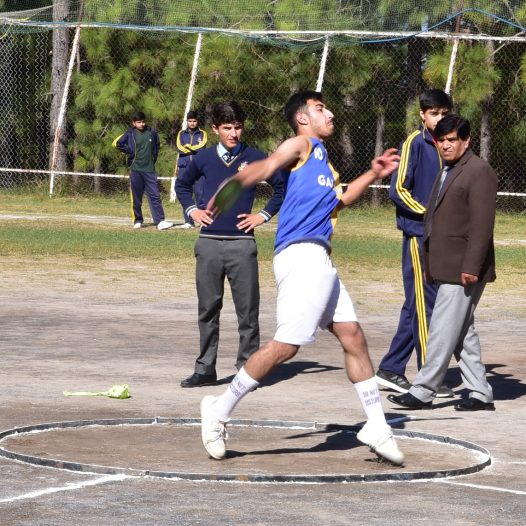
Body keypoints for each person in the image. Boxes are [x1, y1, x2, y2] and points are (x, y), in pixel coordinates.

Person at [199, 90, 404, 465]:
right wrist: (236, 183)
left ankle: (376, 425)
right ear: (303, 118)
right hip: (301, 255)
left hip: (319, 257)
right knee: (287, 345)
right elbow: (267, 166)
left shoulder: (325, 164)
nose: (330, 114)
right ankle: (219, 408)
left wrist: (374, 173)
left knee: (353, 335)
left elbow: (341, 200)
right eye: (321, 108)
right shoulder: (302, 144)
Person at [388, 114, 497, 411]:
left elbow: (482, 226)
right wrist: (429, 263)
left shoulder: (479, 171)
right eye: (441, 140)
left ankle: (423, 390)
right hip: (443, 265)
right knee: (461, 331)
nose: (445, 145)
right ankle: (480, 393)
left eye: (451, 140)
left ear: (466, 141)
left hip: (463, 268)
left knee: (441, 328)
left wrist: (471, 267)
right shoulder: (448, 168)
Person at [176, 101, 284, 388]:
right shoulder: (203, 158)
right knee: (208, 309)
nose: (233, 133)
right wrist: (192, 210)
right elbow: (181, 185)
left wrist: (262, 216)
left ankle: (248, 371)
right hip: (209, 243)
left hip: (242, 244)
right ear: (215, 129)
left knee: (247, 311)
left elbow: (281, 187)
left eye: (238, 127)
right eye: (227, 128)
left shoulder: (255, 157)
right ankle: (205, 369)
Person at [375, 89, 455, 398]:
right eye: (434, 113)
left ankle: (391, 369)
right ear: (422, 114)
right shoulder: (414, 143)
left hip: (442, 237)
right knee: (426, 305)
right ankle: (428, 376)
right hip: (418, 236)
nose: (439, 118)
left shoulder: (450, 145)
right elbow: (398, 189)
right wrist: (429, 214)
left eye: (444, 113)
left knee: (416, 305)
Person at [113, 111, 173, 230]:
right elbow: (117, 143)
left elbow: (157, 146)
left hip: (149, 169)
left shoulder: (152, 132)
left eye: (143, 122)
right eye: (139, 122)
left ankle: (160, 221)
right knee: (137, 196)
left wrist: (153, 159)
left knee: (155, 195)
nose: (142, 124)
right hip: (135, 169)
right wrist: (130, 151)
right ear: (134, 123)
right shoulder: (130, 133)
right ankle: (138, 220)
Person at [175, 111, 208, 229]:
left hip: (198, 168)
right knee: (185, 193)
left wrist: (189, 147)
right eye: (190, 121)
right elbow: (179, 147)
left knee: (200, 193)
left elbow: (201, 147)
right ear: (187, 121)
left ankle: (203, 221)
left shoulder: (203, 134)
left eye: (194, 121)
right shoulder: (181, 134)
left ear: (197, 122)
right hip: (184, 167)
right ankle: (188, 221)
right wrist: (189, 149)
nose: (192, 123)